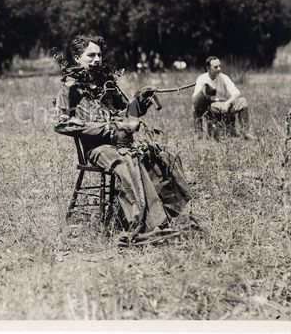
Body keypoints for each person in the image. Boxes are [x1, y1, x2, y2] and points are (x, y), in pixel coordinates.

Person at [54, 35, 193, 244]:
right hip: (97, 147)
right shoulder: (70, 87)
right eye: (90, 55)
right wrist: (107, 128)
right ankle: (144, 228)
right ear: (76, 57)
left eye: (99, 54)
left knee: (163, 156)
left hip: (121, 141)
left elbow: (127, 112)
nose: (97, 59)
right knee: (129, 160)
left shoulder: (106, 82)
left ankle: (175, 218)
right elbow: (61, 123)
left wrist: (142, 100)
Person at [192, 56, 255, 140]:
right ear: (208, 68)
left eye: (219, 66)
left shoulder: (224, 77)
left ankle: (245, 132)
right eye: (215, 67)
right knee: (196, 108)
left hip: (225, 104)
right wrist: (203, 91)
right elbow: (194, 100)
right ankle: (199, 133)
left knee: (242, 101)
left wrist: (227, 103)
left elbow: (236, 93)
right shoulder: (202, 79)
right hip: (210, 106)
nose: (219, 69)